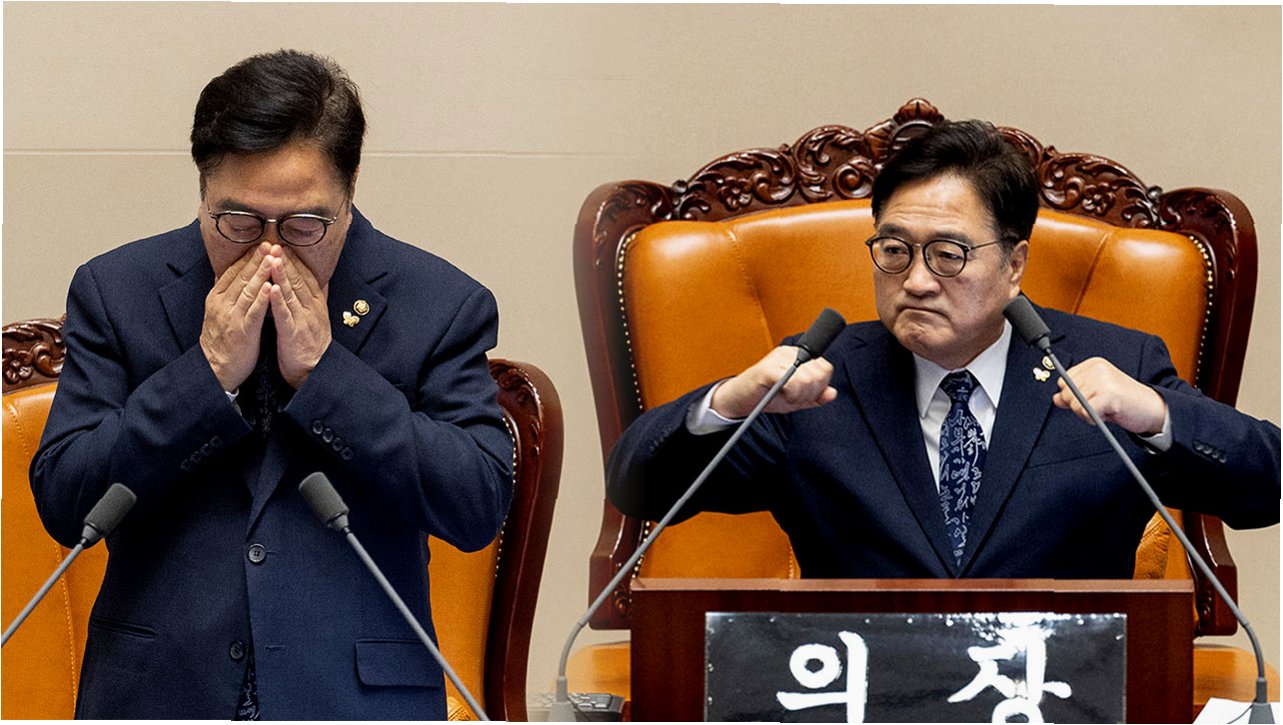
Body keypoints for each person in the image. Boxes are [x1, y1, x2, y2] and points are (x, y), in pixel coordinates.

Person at [30, 50, 513, 720]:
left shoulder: (438, 303)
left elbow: (476, 502)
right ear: (203, 191)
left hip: (354, 700)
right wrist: (204, 377)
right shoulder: (117, 291)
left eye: (305, 225)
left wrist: (325, 375)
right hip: (160, 692)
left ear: (349, 190)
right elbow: (66, 499)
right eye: (239, 222)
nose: (271, 253)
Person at [607, 120, 1279, 581]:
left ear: (1014, 264)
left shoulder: (1112, 367)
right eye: (894, 250)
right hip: (860, 693)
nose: (918, 280)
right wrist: (731, 402)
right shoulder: (815, 383)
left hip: (1060, 696)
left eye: (948, 254)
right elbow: (638, 486)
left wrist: (1155, 415)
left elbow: (1266, 485)